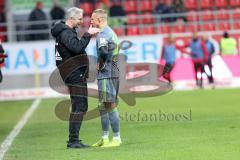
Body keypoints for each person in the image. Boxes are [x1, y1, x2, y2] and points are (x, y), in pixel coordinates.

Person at [51, 7, 100, 149]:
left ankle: (73, 139)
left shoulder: (64, 32)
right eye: (79, 19)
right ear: (71, 18)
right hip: (73, 73)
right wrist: (88, 34)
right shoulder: (66, 33)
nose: (81, 21)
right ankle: (73, 141)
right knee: (80, 105)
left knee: (79, 105)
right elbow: (77, 48)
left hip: (72, 72)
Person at [90, 9, 121, 147]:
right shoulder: (110, 32)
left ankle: (116, 138)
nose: (90, 21)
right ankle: (104, 138)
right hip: (111, 71)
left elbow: (102, 51)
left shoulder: (103, 34)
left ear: (100, 20)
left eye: (92, 19)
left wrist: (99, 65)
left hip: (107, 73)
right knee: (102, 105)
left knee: (109, 105)